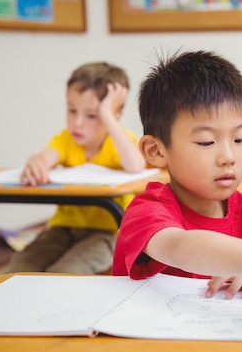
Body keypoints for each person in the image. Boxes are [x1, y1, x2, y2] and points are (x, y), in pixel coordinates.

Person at [112, 50, 242, 300]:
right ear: (156, 150)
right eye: (206, 142)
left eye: (240, 139)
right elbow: (180, 247)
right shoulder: (146, 211)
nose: (229, 156)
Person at [8, 62, 146, 274]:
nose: (77, 123)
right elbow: (46, 157)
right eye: (72, 110)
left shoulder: (118, 140)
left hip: (109, 232)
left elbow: (136, 166)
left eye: (91, 115)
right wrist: (37, 161)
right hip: (62, 229)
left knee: (64, 272)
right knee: (19, 268)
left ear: (114, 115)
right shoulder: (65, 140)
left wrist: (107, 115)